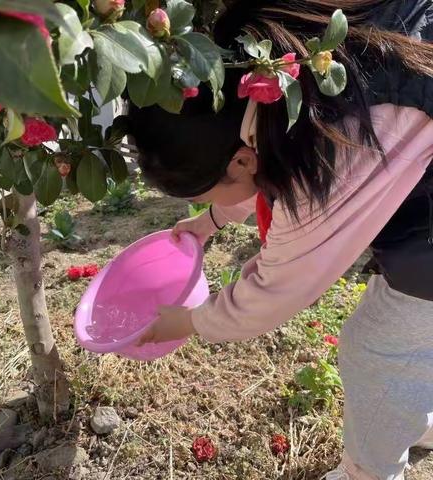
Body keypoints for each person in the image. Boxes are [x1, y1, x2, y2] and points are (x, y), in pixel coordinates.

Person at [126, 1, 433, 478]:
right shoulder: (275, 70)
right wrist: (212, 219)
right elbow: (257, 168)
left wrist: (189, 322)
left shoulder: (329, 149)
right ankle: (415, 410)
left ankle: (368, 471)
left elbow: (276, 289)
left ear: (242, 161)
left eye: (214, 189)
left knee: (379, 347)